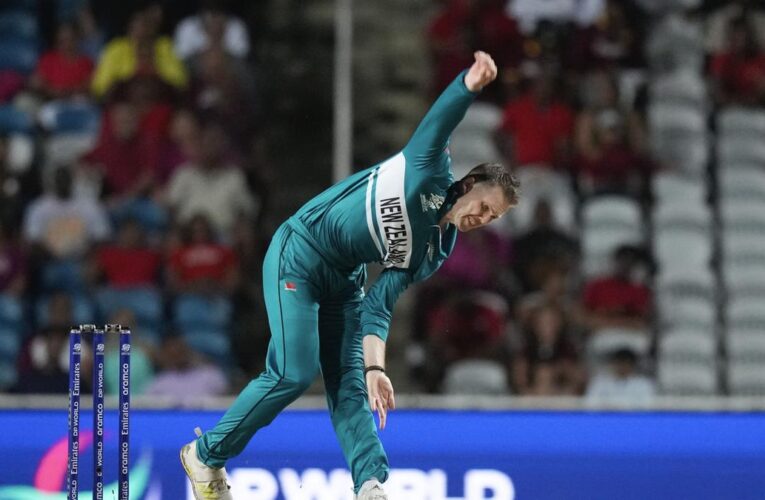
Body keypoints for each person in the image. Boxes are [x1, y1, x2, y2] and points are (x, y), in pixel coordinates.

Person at [179, 51, 518, 500]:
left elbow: (380, 303)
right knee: (294, 373)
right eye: (484, 206)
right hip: (298, 252)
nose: (482, 218)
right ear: (471, 184)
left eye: (492, 218)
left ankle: (370, 485)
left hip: (344, 279)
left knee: (352, 385)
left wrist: (376, 365)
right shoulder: (428, 170)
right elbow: (439, 121)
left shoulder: (436, 251)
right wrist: (469, 85)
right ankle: (205, 454)